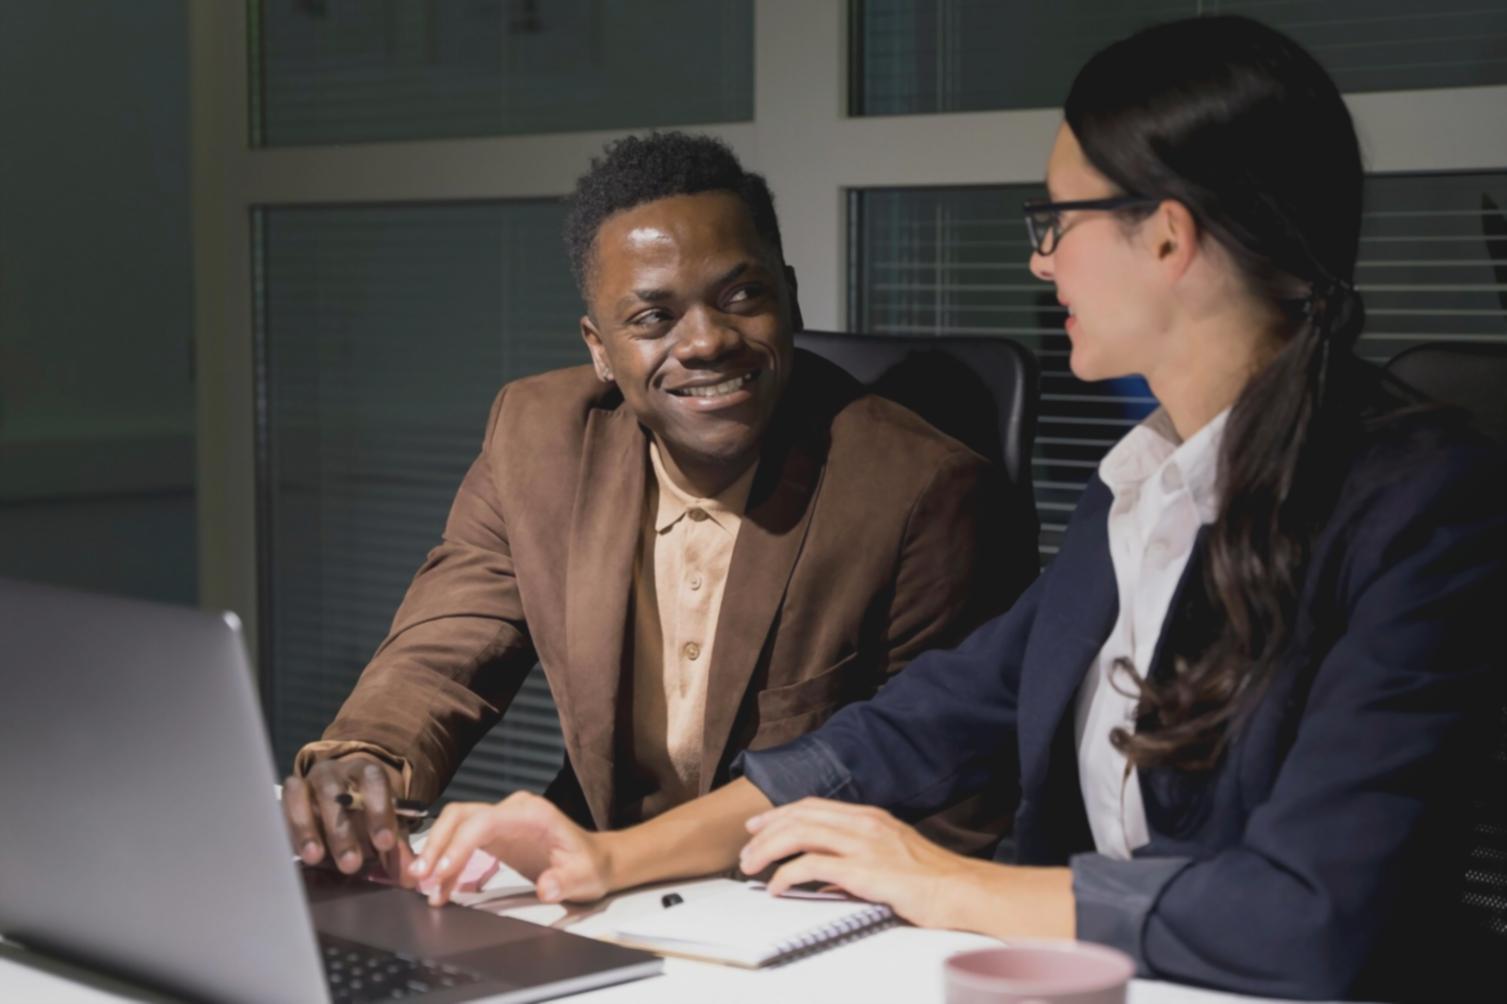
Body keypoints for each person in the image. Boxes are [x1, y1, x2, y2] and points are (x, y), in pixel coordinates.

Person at [409, 17, 1505, 1002]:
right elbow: (915, 725)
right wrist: (608, 858)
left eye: (1057, 219)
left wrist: (948, 882)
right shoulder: (1142, 480)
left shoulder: (1416, 498)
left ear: (1165, 237)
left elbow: (1310, 917)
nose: (1039, 258)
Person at [282, 132, 1039, 881]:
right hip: (592, 882)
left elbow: (939, 783)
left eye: (742, 297)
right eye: (653, 319)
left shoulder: (919, 490)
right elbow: (446, 650)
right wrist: (365, 761)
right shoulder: (536, 441)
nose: (706, 341)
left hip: (797, 903)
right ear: (600, 350)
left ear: (791, 298)